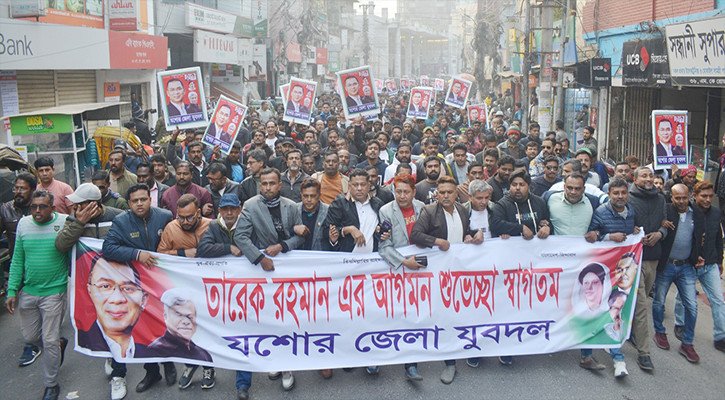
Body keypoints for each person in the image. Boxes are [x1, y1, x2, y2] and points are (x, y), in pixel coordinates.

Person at [102, 184, 177, 393]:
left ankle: (169, 363)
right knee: (143, 328)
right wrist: (137, 254)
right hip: (136, 284)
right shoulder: (121, 221)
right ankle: (151, 371)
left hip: (163, 281)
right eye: (135, 201)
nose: (140, 204)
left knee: (165, 323)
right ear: (129, 203)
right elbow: (108, 248)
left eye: (143, 199)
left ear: (150, 199)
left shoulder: (165, 216)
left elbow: (176, 238)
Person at [233, 168, 303, 391]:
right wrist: (260, 258)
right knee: (269, 317)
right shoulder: (250, 206)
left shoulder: (291, 206)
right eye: (264, 183)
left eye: (272, 183)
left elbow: (300, 237)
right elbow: (240, 236)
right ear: (259, 185)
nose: (268, 187)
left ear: (280, 184)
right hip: (265, 270)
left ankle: (288, 366)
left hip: (289, 268)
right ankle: (275, 361)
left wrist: (283, 246)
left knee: (288, 318)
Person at [410, 175, 483, 384]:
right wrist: (436, 241)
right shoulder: (429, 211)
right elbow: (416, 235)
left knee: (451, 317)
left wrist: (474, 234)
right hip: (433, 275)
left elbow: (467, 232)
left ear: (456, 193)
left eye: (449, 192)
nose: (445, 196)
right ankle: (413, 363)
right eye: (441, 192)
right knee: (426, 316)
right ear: (437, 194)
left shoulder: (462, 210)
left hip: (456, 275)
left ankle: (450, 363)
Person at [5, 190, 69, 400]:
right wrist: (12, 290)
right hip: (29, 291)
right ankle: (58, 345)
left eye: (42, 206)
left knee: (48, 340)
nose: (37, 210)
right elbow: (17, 259)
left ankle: (51, 385)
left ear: (52, 207)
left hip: (55, 291)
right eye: (34, 207)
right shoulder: (23, 224)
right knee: (31, 337)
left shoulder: (64, 222)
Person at [377, 173, 426, 380]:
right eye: (398, 192)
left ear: (414, 192)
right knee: (390, 316)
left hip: (420, 270)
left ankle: (411, 364)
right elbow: (384, 246)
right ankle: (377, 360)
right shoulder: (386, 211)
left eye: (406, 192)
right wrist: (405, 262)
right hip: (397, 269)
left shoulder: (422, 207)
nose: (402, 196)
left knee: (413, 318)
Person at [651, 184, 702, 363]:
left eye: (684, 197)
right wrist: (661, 224)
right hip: (666, 265)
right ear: (671, 197)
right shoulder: (665, 211)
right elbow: (655, 225)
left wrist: (700, 256)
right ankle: (659, 332)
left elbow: (702, 235)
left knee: (692, 306)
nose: (681, 201)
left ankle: (687, 343)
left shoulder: (696, 213)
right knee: (659, 301)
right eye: (677, 198)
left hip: (686, 267)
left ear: (690, 196)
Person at [673, 181, 725, 353]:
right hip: (690, 264)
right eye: (704, 196)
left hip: (710, 264)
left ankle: (720, 336)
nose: (708, 199)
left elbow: (718, 238)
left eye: (710, 196)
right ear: (695, 196)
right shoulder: (687, 212)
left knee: (718, 300)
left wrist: (719, 261)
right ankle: (680, 323)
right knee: (683, 297)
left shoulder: (716, 213)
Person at [626, 166, 666, 371]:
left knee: (638, 303)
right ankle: (644, 353)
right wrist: (632, 232)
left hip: (653, 258)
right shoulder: (628, 198)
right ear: (635, 179)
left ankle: (631, 332)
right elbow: (621, 222)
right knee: (641, 304)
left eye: (651, 175)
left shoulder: (661, 199)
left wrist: (660, 233)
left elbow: (665, 223)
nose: (649, 179)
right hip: (634, 258)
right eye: (644, 176)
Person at [297, 179, 329, 251]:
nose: (309, 199)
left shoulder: (328, 211)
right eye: (305, 196)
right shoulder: (293, 210)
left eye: (313, 196)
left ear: (319, 195)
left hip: (319, 255)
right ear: (301, 195)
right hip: (297, 255)